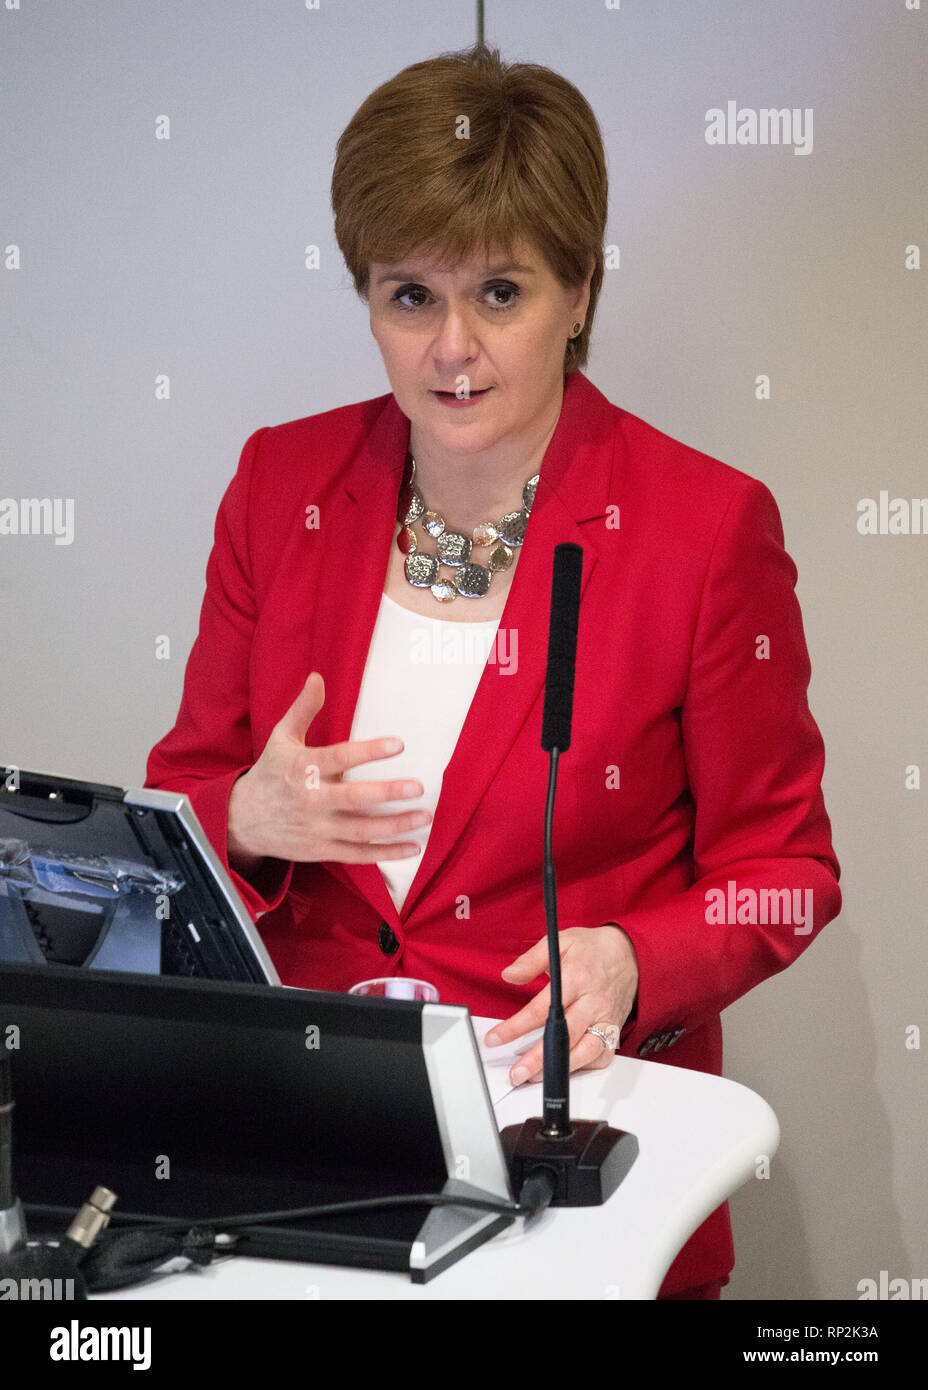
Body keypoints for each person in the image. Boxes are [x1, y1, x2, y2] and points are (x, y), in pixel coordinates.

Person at [145, 43, 841, 1299]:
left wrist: (636, 955)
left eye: (502, 293)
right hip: (308, 1165)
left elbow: (785, 876)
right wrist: (245, 823)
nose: (451, 348)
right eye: (409, 296)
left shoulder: (704, 528)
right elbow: (181, 806)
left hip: (569, 1165)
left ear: (580, 293)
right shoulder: (277, 485)